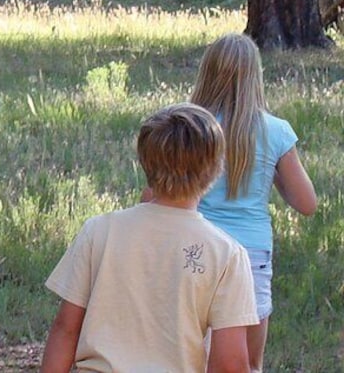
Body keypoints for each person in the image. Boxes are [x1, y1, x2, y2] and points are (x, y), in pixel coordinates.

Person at [40, 103, 258, 373]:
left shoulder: (99, 231)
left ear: (144, 162)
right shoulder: (226, 254)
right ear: (216, 168)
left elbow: (65, 329)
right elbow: (230, 365)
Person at [190, 32, 317, 372]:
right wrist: (272, 172)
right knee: (247, 362)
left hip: (195, 246)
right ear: (255, 77)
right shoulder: (275, 131)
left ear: (207, 73)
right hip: (252, 254)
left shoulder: (190, 127)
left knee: (189, 354)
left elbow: (153, 198)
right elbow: (307, 203)